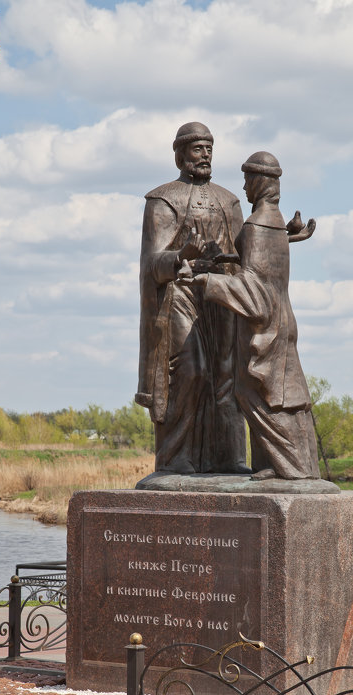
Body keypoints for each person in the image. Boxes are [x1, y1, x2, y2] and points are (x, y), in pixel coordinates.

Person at [179, 151, 320, 480]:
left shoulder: (258, 225)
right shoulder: (272, 223)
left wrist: (207, 282)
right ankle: (273, 463)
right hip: (280, 322)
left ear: (260, 182)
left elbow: (255, 289)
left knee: (257, 392)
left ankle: (293, 467)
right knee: (275, 393)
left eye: (248, 180)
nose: (244, 187)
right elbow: (257, 261)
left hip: (265, 327)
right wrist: (221, 257)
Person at [135, 122, 247, 473]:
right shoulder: (163, 199)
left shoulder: (229, 201)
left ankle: (229, 458)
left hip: (222, 296)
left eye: (209, 148)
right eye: (197, 149)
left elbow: (247, 250)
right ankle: (175, 457)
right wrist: (181, 254)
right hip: (181, 295)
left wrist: (280, 237)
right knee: (192, 371)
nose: (205, 155)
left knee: (228, 377)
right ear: (181, 155)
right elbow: (151, 264)